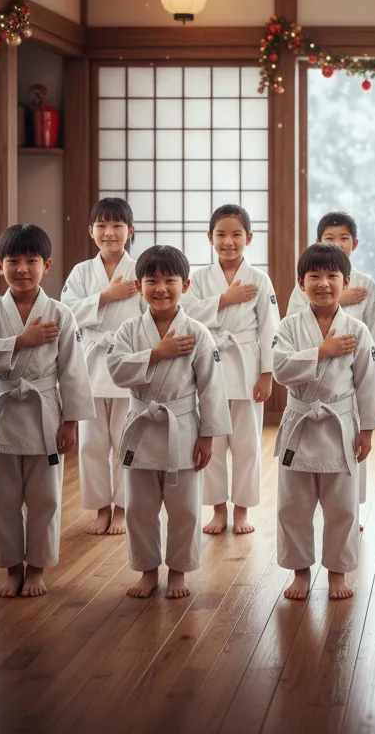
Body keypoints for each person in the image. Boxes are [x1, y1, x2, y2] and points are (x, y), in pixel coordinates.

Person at [0, 224, 94, 598]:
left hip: (45, 416)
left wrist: (70, 422)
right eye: (13, 261)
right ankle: (11, 569)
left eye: (31, 260)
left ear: (47, 265)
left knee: (45, 498)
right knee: (0, 498)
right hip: (2, 413)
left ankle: (36, 568)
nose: (22, 268)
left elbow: (73, 370)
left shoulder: (60, 313)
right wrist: (20, 341)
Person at [107, 245, 230, 599]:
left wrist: (207, 436)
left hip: (183, 427)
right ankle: (147, 571)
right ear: (140, 285)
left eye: (169, 280)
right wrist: (157, 353)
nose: (161, 288)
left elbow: (211, 389)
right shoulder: (130, 330)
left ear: (186, 285)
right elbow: (116, 370)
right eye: (152, 280)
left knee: (185, 509)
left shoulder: (197, 333)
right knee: (140, 508)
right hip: (142, 425)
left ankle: (178, 572)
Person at [272, 243, 375, 600]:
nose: (323, 283)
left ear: (346, 281)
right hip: (300, 423)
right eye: (314, 277)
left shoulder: (356, 330)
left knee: (342, 507)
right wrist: (321, 352)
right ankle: (300, 572)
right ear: (300, 283)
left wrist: (367, 430)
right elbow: (280, 368)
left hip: (340, 424)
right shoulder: (290, 327)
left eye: (332, 276)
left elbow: (368, 381)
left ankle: (338, 573)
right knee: (293, 506)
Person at [288, 210, 375, 521]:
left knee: (352, 447)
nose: (337, 243)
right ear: (317, 241)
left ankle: (350, 509)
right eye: (329, 238)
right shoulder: (308, 282)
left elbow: (374, 330)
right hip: (310, 376)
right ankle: (309, 509)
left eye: (343, 238)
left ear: (355, 243)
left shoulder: (365, 283)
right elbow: (294, 319)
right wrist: (340, 299)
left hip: (352, 375)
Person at [182, 204, 279, 536]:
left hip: (246, 365)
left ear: (248, 238)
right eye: (221, 234)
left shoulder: (259, 279)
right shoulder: (197, 279)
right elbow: (187, 316)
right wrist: (225, 298)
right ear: (209, 237)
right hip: (209, 365)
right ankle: (218, 509)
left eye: (236, 234)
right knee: (212, 442)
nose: (228, 241)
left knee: (247, 444)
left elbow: (270, 329)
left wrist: (268, 373)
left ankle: (242, 510)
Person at [61, 197, 141, 536]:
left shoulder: (140, 270)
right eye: (102, 226)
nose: (109, 233)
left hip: (125, 362)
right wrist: (107, 296)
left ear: (130, 231)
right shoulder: (81, 272)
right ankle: (100, 509)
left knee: (126, 440)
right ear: (90, 231)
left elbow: (151, 315)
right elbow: (66, 315)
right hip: (90, 365)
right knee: (92, 443)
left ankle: (123, 509)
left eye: (117, 226)